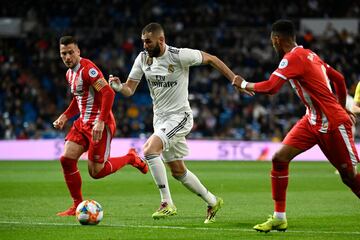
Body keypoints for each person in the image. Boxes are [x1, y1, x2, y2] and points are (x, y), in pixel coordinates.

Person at [109, 22, 248, 224]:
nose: (145, 45)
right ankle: (213, 201)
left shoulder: (179, 55)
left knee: (149, 150)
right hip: (160, 120)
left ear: (161, 40)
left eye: (148, 41)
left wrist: (234, 78)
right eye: (143, 42)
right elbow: (130, 89)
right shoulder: (142, 59)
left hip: (180, 117)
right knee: (178, 171)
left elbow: (211, 58)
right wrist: (118, 87)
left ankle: (167, 203)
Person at [233, 19, 360, 233]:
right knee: (279, 158)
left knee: (349, 177)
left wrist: (244, 84)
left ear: (276, 39)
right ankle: (279, 217)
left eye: (272, 41)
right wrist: (340, 105)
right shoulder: (309, 54)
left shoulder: (292, 58)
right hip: (311, 120)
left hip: (333, 124)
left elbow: (272, 87)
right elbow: (338, 78)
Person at [53, 36, 148, 216]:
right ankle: (77, 205)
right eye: (63, 54)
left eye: (71, 52)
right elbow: (79, 98)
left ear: (78, 52)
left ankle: (130, 157)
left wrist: (101, 121)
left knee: (96, 172)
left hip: (100, 125)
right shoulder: (69, 74)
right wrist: (65, 116)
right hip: (82, 124)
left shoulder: (88, 70)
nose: (67, 57)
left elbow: (108, 93)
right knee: (66, 159)